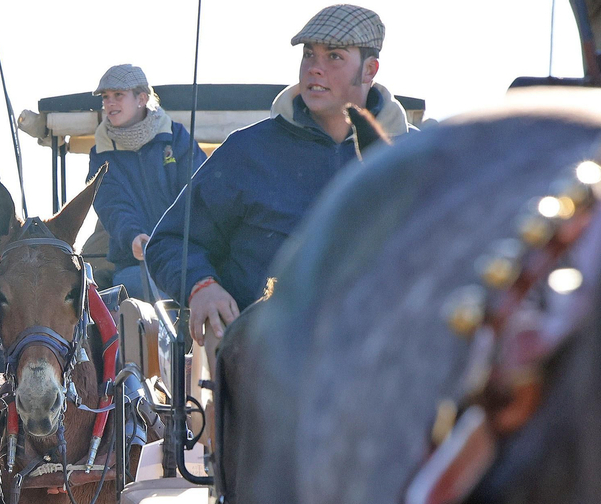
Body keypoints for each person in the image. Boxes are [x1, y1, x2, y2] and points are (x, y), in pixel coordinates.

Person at [145, 4, 412, 344]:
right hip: (259, 357)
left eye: (334, 57)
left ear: (369, 69)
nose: (315, 68)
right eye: (308, 54)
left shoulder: (411, 158)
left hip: (382, 354)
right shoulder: (247, 152)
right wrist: (201, 286)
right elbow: (171, 242)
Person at [87, 64, 204, 302]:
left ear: (142, 98)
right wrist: (133, 237)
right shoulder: (101, 154)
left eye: (118, 95)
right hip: (133, 264)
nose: (109, 103)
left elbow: (199, 191)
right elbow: (111, 204)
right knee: (141, 293)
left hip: (185, 257)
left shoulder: (177, 138)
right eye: (106, 97)